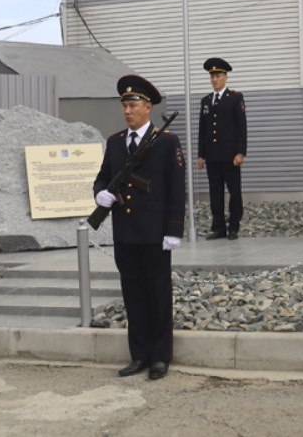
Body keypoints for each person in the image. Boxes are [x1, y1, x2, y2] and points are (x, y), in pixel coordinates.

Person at [93, 75, 185, 380]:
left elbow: (176, 190)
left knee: (158, 295)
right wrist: (101, 193)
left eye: (133, 105)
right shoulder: (115, 142)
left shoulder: (167, 141)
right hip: (126, 233)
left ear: (147, 108)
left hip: (155, 233)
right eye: (125, 106)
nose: (127, 111)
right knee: (133, 295)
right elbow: (103, 177)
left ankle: (160, 357)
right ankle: (139, 355)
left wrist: (173, 230)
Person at [196, 57, 247, 240]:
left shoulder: (235, 98)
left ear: (226, 77)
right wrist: (201, 154)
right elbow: (203, 129)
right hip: (212, 155)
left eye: (218, 76)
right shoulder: (206, 101)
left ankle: (233, 226)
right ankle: (218, 227)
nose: (214, 79)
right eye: (212, 76)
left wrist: (240, 152)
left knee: (234, 191)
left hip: (230, 155)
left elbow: (241, 127)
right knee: (215, 192)